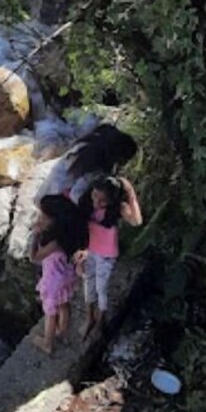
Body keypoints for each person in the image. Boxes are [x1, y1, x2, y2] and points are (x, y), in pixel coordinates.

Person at [74, 174, 142, 338]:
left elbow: (136, 221)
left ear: (112, 200)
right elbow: (78, 229)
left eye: (102, 201)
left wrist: (131, 195)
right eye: (95, 196)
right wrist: (78, 255)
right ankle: (89, 317)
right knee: (87, 283)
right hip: (89, 251)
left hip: (106, 254)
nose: (96, 202)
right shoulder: (86, 203)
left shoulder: (118, 208)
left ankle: (100, 319)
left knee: (101, 288)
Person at [29, 194, 89, 354]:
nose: (40, 218)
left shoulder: (55, 242)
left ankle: (47, 344)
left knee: (50, 311)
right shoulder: (71, 233)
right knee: (63, 303)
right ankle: (62, 333)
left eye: (43, 216)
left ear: (54, 220)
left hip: (53, 279)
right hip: (68, 276)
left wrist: (35, 235)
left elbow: (35, 257)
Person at [34, 123, 137, 206]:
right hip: (53, 202)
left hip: (45, 192)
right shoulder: (95, 166)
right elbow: (75, 195)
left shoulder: (85, 146)